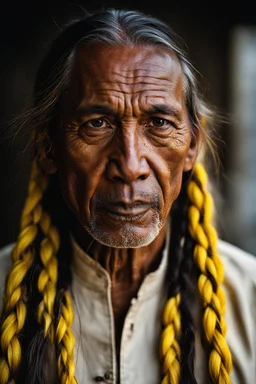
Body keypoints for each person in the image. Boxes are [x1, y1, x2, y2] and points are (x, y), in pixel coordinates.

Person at [0, 8, 255, 384]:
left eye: (159, 123)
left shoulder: (249, 301)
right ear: (48, 147)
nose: (130, 164)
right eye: (97, 124)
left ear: (191, 147)